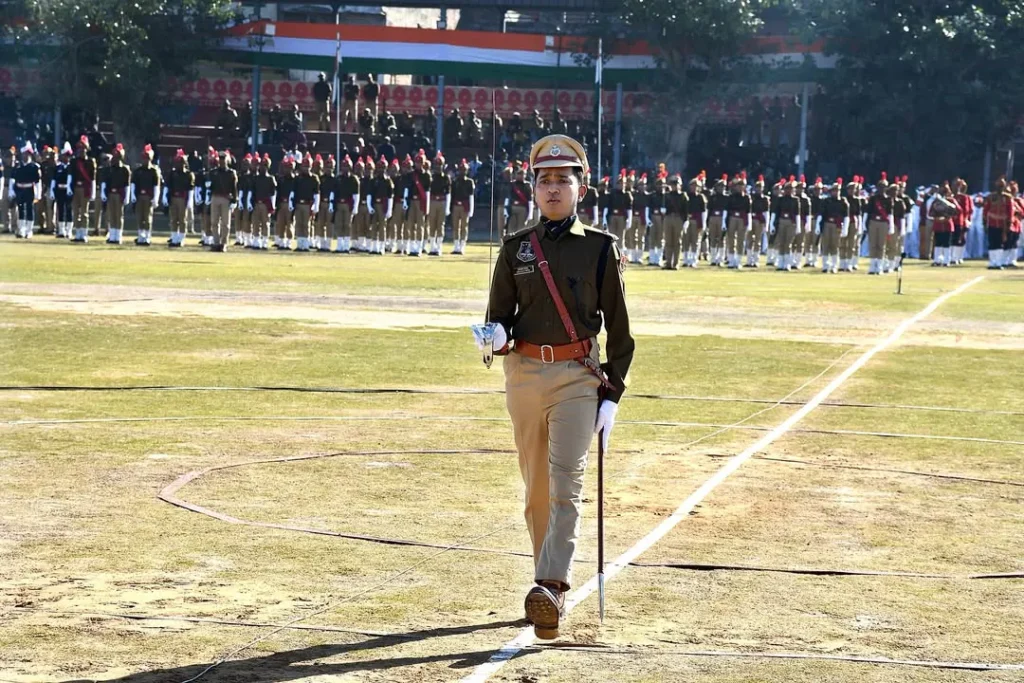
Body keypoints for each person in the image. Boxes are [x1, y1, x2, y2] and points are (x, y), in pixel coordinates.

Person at [480, 133, 634, 641]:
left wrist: (612, 394)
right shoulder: (515, 249)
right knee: (537, 491)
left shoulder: (600, 249)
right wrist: (495, 336)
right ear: (533, 188)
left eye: (562, 180)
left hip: (576, 376)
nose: (552, 188)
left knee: (566, 481)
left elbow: (620, 330)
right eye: (544, 180)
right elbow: (499, 317)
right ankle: (543, 585)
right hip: (524, 375)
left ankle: (551, 585)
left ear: (580, 189)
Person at [131, 144, 162, 246]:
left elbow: (156, 186)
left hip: (149, 197)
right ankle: (141, 236)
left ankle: (147, 237)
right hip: (139, 196)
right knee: (140, 217)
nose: (145, 160)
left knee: (148, 217)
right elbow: (133, 184)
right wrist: (133, 196)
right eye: (144, 158)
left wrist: (156, 198)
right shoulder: (138, 171)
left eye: (147, 158)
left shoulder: (154, 171)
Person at [208, 149, 238, 252]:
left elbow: (234, 188)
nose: (221, 161)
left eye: (223, 159)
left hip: (226, 198)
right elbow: (210, 187)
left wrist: (234, 200)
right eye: (220, 159)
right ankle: (216, 242)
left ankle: (224, 243)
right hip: (215, 197)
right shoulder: (213, 172)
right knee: (214, 222)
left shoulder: (231, 173)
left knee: (225, 223)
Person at [164, 149, 195, 248]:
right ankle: (174, 238)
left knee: (182, 219)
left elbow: (190, 189)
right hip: (173, 197)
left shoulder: (189, 174)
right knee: (174, 219)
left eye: (181, 162)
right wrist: (165, 197)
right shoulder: (172, 173)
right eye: (177, 162)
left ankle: (181, 238)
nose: (179, 164)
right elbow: (168, 185)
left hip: (183, 198)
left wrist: (190, 201)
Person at [290, 153, 321, 252]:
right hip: (299, 204)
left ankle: (306, 244)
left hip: (308, 204)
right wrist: (291, 203)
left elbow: (316, 193)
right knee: (299, 224)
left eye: (307, 167)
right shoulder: (297, 178)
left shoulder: (314, 178)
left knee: (306, 224)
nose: (305, 168)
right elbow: (293, 191)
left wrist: (315, 206)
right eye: (304, 166)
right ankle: (300, 244)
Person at [865, 173, 894, 275]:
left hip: (883, 223)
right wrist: (865, 224)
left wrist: (891, 226)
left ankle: (880, 266)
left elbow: (890, 214)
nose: (882, 189)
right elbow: (868, 212)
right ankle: (872, 266)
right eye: (880, 187)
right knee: (873, 244)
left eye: (884, 187)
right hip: (873, 222)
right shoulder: (873, 199)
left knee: (881, 245)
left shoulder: (888, 199)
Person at [101, 143, 130, 245]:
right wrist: (103, 193)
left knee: (119, 215)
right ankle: (112, 235)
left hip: (119, 194)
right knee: (111, 215)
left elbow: (127, 184)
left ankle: (118, 236)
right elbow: (105, 182)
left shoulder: (125, 169)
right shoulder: (109, 169)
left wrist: (127, 196)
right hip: (110, 194)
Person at [69, 136, 96, 243]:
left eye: (83, 148)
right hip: (76, 188)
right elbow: (71, 176)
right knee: (76, 211)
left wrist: (93, 192)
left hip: (85, 188)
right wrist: (69, 188)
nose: (81, 150)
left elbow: (92, 178)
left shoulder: (90, 161)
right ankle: (78, 233)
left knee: (84, 212)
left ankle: (84, 233)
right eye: (79, 148)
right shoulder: (74, 161)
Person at [12, 142, 41, 239]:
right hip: (19, 189)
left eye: (28, 154)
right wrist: (12, 191)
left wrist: (38, 194)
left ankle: (29, 230)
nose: (26, 155)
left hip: (29, 189)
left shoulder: (34, 167)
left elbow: (37, 181)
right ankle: (21, 229)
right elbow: (13, 179)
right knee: (21, 209)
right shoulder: (18, 165)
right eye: (25, 153)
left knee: (29, 209)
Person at [249, 153, 277, 250]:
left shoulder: (271, 179)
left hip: (266, 204)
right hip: (256, 203)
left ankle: (265, 241)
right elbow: (252, 191)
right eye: (261, 165)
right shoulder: (255, 178)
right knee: (255, 223)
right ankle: (256, 241)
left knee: (265, 223)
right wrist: (250, 203)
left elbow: (273, 193)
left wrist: (272, 206)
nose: (262, 167)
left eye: (265, 165)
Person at [725, 173, 751, 269]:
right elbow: (727, 210)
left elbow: (748, 211)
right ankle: (731, 260)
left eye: (742, 185)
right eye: (738, 186)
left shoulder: (747, 198)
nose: (740, 187)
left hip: (742, 218)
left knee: (741, 240)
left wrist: (749, 224)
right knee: (731, 239)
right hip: (732, 218)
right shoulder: (731, 197)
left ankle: (738, 260)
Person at [450, 158, 475, 255]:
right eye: (461, 169)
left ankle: (462, 246)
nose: (462, 171)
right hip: (456, 205)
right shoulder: (455, 181)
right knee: (455, 226)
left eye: (464, 170)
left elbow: (471, 196)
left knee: (464, 226)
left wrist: (471, 210)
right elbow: (452, 195)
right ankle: (456, 246)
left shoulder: (469, 182)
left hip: (465, 206)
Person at [505, 162, 533, 235]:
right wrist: (506, 211)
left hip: (523, 209)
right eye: (519, 174)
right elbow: (508, 198)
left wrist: (530, 214)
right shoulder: (512, 184)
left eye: (523, 174)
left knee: (521, 230)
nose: (522, 176)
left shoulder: (527, 185)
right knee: (511, 229)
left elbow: (530, 201)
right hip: (512, 208)